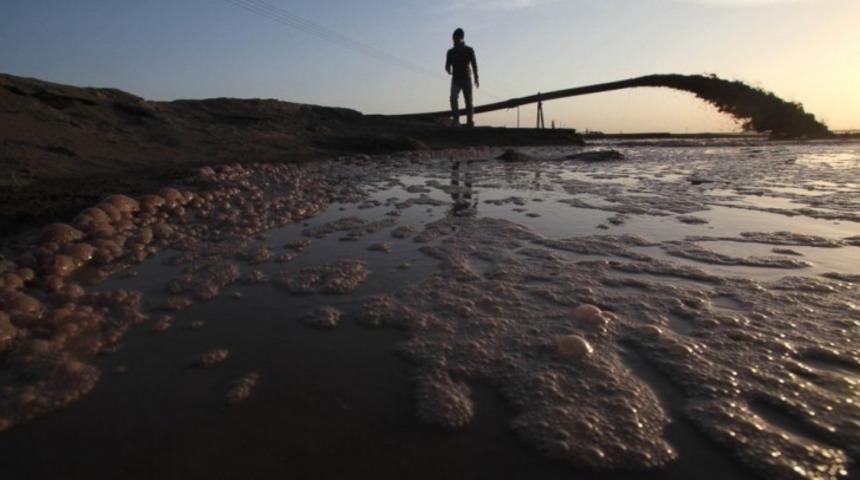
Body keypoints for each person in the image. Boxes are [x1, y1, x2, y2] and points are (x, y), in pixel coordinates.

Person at [445, 28, 479, 127]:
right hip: (456, 79)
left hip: (466, 78)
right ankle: (456, 120)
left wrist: (476, 77)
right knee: (453, 97)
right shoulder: (450, 52)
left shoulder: (469, 50)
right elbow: (447, 64)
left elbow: (474, 64)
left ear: (461, 38)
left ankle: (470, 121)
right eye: (453, 38)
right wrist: (448, 69)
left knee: (468, 100)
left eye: (456, 38)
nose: (454, 40)